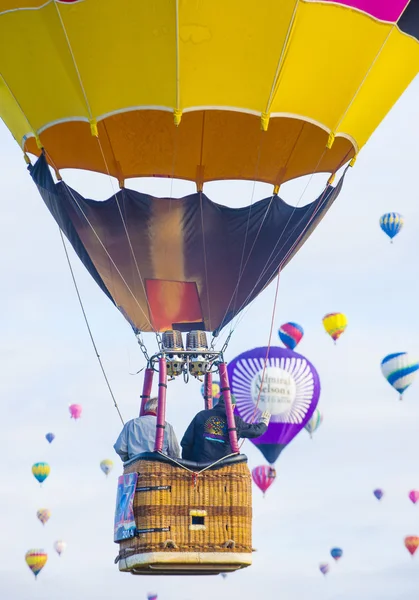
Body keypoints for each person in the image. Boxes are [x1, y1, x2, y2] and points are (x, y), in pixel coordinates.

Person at [181, 394, 271, 463]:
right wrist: (264, 422)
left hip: (199, 467)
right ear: (233, 406)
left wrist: (189, 463)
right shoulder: (235, 421)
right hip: (224, 469)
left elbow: (186, 443)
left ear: (218, 403)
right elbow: (255, 431)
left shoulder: (201, 415)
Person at [114, 397, 180, 462]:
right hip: (160, 467)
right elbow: (174, 451)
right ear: (158, 409)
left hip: (135, 466)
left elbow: (119, 448)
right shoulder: (166, 426)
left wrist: (129, 460)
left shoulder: (131, 424)